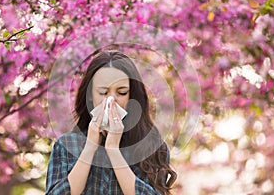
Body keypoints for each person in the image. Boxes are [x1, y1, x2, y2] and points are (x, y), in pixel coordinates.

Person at [45, 50, 177, 195]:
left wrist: (113, 150)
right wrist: (89, 149)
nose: (111, 100)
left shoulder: (153, 147)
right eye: (103, 92)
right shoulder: (66, 146)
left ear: (132, 96)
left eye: (121, 93)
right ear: (90, 96)